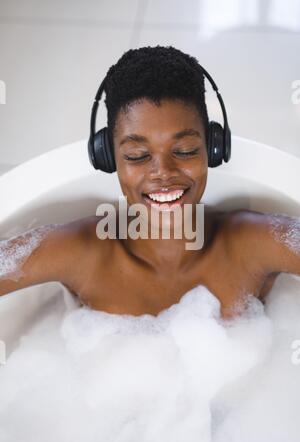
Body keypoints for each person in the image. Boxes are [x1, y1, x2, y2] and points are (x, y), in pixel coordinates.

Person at [0, 46, 299, 318]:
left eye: (185, 151)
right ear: (107, 158)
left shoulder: (256, 243)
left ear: (213, 147)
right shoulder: (79, 252)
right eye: (137, 155)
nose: (163, 173)